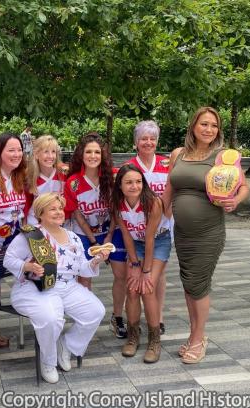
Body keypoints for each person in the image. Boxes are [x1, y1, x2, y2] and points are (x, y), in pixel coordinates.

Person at [162, 107, 249, 364]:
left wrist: (236, 201)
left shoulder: (224, 156)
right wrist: (156, 220)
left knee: (198, 284)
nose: (209, 129)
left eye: (214, 125)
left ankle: (199, 339)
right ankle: (193, 336)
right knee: (189, 283)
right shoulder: (178, 154)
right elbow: (169, 190)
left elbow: (243, 186)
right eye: (204, 124)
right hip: (182, 233)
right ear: (193, 126)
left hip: (208, 232)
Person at [3, 192, 108, 383]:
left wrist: (96, 261)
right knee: (51, 318)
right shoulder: (31, 235)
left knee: (95, 311)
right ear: (40, 213)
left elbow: (81, 267)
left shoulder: (73, 237)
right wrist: (27, 266)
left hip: (67, 286)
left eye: (60, 208)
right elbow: (9, 259)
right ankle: (48, 361)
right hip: (36, 287)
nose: (59, 212)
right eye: (52, 209)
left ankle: (66, 346)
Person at [64, 132, 127, 339]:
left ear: (103, 155)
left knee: (121, 274)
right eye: (88, 151)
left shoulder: (111, 178)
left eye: (97, 152)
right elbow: (77, 214)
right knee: (85, 278)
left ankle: (117, 318)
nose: (93, 155)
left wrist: (108, 237)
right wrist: (93, 241)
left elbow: (115, 211)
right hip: (85, 234)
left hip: (110, 231)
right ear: (81, 154)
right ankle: (86, 321)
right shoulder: (73, 182)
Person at [111, 165, 171, 363]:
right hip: (135, 244)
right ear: (120, 185)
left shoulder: (153, 202)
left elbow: (151, 238)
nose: (134, 186)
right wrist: (134, 265)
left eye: (138, 181)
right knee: (132, 288)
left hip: (158, 241)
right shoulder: (117, 204)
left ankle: (155, 340)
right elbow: (127, 236)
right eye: (128, 182)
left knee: (147, 287)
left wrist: (145, 270)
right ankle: (133, 335)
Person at [125, 120, 171, 335]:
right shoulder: (130, 167)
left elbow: (174, 193)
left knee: (159, 276)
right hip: (137, 233)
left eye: (152, 138)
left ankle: (157, 316)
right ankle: (138, 319)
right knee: (136, 279)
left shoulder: (167, 164)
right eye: (144, 138)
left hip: (162, 230)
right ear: (136, 142)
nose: (148, 142)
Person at [0, 132, 28, 348]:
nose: (16, 154)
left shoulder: (19, 177)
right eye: (11, 150)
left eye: (19, 150)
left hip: (12, 245)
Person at [26, 135, 66, 225]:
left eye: (53, 152)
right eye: (46, 152)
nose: (50, 156)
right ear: (36, 155)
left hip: (58, 224)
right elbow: (26, 207)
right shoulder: (29, 177)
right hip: (35, 225)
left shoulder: (64, 174)